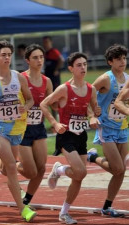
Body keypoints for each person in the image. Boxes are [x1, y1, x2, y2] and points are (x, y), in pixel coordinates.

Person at [41, 52, 100, 224]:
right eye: (79, 65)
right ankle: (58, 170)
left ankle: (64, 212)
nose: (83, 68)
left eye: (85, 64)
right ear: (71, 69)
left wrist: (94, 116)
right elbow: (44, 104)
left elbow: (92, 108)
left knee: (79, 176)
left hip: (81, 135)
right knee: (81, 171)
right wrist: (54, 123)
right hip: (65, 135)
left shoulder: (91, 89)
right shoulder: (64, 89)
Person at [0, 40, 36, 222]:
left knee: (6, 168)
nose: (7, 58)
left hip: (15, 128)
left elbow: (30, 99)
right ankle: (23, 209)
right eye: (3, 55)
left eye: (9, 54)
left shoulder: (19, 78)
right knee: (12, 167)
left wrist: (24, 107)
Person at [88, 44, 128, 218]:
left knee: (120, 171)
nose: (123, 62)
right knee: (118, 168)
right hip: (106, 127)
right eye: (118, 59)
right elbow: (87, 93)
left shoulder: (127, 79)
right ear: (110, 62)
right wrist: (92, 113)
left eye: (124, 58)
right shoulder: (105, 79)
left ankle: (107, 207)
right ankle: (94, 157)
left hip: (123, 128)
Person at [17, 44, 53, 207]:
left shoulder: (47, 81)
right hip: (21, 129)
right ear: (27, 61)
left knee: (41, 170)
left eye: (41, 57)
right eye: (35, 58)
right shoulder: (20, 78)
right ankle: (11, 164)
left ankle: (26, 200)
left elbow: (50, 105)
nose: (39, 60)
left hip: (38, 128)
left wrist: (55, 120)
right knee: (30, 171)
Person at [42, 36, 65, 121]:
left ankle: (58, 120)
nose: (45, 44)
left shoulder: (54, 51)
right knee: (46, 99)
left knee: (55, 99)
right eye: (44, 42)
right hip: (46, 80)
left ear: (51, 42)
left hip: (54, 80)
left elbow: (61, 60)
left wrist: (56, 70)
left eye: (47, 42)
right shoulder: (45, 53)